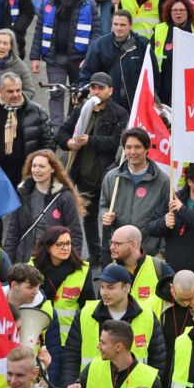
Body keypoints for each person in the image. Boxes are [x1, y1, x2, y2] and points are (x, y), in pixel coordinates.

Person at [55, 73, 127, 266]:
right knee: (88, 217)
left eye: (101, 88)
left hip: (108, 177)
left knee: (110, 218)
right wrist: (68, 142)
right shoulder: (82, 110)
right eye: (93, 88)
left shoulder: (119, 113)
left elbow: (118, 143)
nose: (96, 91)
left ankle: (111, 254)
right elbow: (61, 132)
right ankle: (95, 255)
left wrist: (90, 140)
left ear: (110, 91)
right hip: (84, 177)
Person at [61, 264, 166, 388]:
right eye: (102, 287)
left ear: (126, 288)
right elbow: (71, 356)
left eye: (110, 287)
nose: (104, 293)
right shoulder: (86, 313)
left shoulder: (147, 315)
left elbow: (158, 360)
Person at [30, 0, 102, 130]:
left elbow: (96, 33)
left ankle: (71, 127)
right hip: (55, 59)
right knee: (56, 93)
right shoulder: (49, 1)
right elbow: (40, 28)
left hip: (80, 60)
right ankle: (57, 129)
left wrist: (89, 57)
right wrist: (35, 57)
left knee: (77, 95)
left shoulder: (88, 4)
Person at [146, 163, 194, 286]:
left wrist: (182, 210)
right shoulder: (173, 199)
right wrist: (163, 223)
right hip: (173, 274)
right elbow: (151, 228)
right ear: (190, 182)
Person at [99, 128, 171, 256]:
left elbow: (167, 218)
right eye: (128, 147)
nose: (132, 152)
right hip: (117, 250)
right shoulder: (112, 177)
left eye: (137, 147)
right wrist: (105, 214)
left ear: (147, 148)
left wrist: (162, 252)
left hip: (148, 252)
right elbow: (103, 205)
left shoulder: (163, 181)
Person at [4, 150, 83, 265]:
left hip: (52, 261)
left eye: (42, 166)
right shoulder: (23, 193)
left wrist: (70, 265)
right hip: (24, 260)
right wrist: (7, 264)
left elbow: (75, 234)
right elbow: (12, 231)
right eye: (34, 166)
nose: (36, 170)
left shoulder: (64, 197)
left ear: (52, 169)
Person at [31, 226, 95, 352]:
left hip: (68, 340)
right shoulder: (32, 268)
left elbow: (89, 307)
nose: (66, 248)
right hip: (38, 337)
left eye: (68, 243)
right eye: (60, 244)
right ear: (48, 247)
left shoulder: (82, 270)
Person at [77, 11, 151, 111]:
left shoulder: (143, 44)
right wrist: (81, 90)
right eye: (115, 24)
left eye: (122, 25)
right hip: (109, 103)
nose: (118, 28)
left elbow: (152, 74)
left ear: (130, 25)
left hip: (137, 103)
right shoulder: (100, 44)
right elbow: (88, 71)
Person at [108, 225, 175, 308]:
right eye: (111, 242)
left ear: (133, 245)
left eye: (117, 244)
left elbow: (177, 300)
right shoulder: (109, 270)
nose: (111, 247)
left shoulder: (159, 268)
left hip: (152, 321)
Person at [151, 0, 194, 104]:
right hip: (165, 80)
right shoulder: (159, 29)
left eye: (182, 10)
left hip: (192, 80)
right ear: (169, 12)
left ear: (188, 12)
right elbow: (150, 55)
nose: (178, 13)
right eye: (174, 10)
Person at [153, 269, 194, 371]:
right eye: (182, 299)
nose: (186, 303)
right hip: (164, 365)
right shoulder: (154, 303)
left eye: (190, 298)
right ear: (172, 288)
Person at [0, 30, 34, 97]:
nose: (1, 46)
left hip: (13, 105)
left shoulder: (20, 66)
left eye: (5, 43)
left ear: (11, 46)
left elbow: (30, 92)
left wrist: (11, 98)